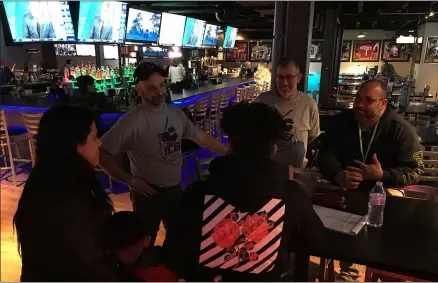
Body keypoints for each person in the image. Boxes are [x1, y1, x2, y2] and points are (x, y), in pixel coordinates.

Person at [164, 102, 324, 281]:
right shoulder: (293, 197)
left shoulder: (195, 196)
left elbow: (174, 258)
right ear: (273, 151)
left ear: (230, 148)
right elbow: (315, 241)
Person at [99, 62, 227, 245]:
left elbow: (200, 137)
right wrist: (130, 181)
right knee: (145, 242)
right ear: (139, 89)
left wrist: (228, 151)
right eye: (151, 87)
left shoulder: (175, 113)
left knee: (178, 240)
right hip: (147, 194)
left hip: (175, 189)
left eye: (162, 85)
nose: (160, 92)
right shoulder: (131, 121)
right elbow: (101, 154)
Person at [318, 80, 424, 282]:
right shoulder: (343, 122)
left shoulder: (401, 130)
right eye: (358, 98)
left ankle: (355, 271)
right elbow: (324, 155)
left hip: (384, 197)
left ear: (383, 104)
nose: (359, 105)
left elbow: (415, 171)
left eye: (368, 101)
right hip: (345, 193)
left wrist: (381, 176)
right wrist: (338, 174)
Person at [13, 106, 117, 281]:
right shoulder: (68, 199)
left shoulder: (45, 176)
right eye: (94, 137)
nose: (99, 143)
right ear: (74, 144)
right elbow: (90, 266)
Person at [255, 58, 320, 168]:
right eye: (280, 77)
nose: (284, 83)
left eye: (289, 77)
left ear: (298, 78)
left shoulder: (309, 104)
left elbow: (313, 137)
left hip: (296, 171)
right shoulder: (262, 101)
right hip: (266, 170)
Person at [106, 211, 179, 281]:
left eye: (126, 245)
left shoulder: (162, 274)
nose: (120, 252)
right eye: (115, 245)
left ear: (146, 240)